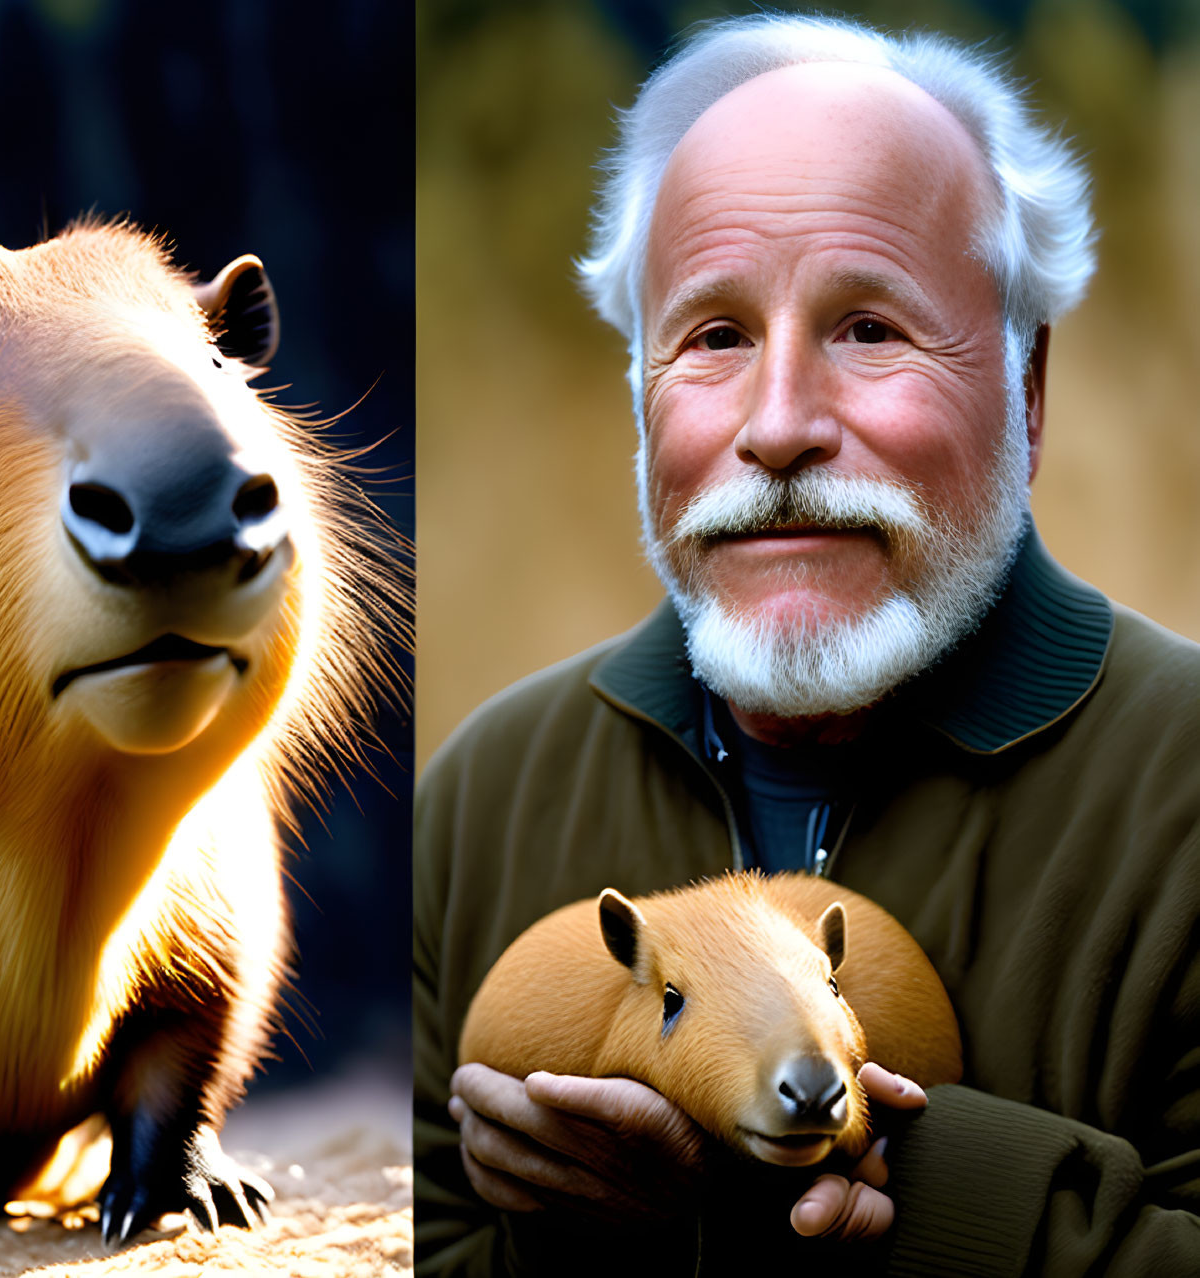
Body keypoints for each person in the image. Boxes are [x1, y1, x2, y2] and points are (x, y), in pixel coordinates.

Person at [414, 12, 1200, 1276]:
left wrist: (882, 1177)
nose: (777, 427)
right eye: (713, 337)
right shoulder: (483, 797)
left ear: (1028, 388)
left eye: (868, 328)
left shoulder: (1182, 786)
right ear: (637, 395)